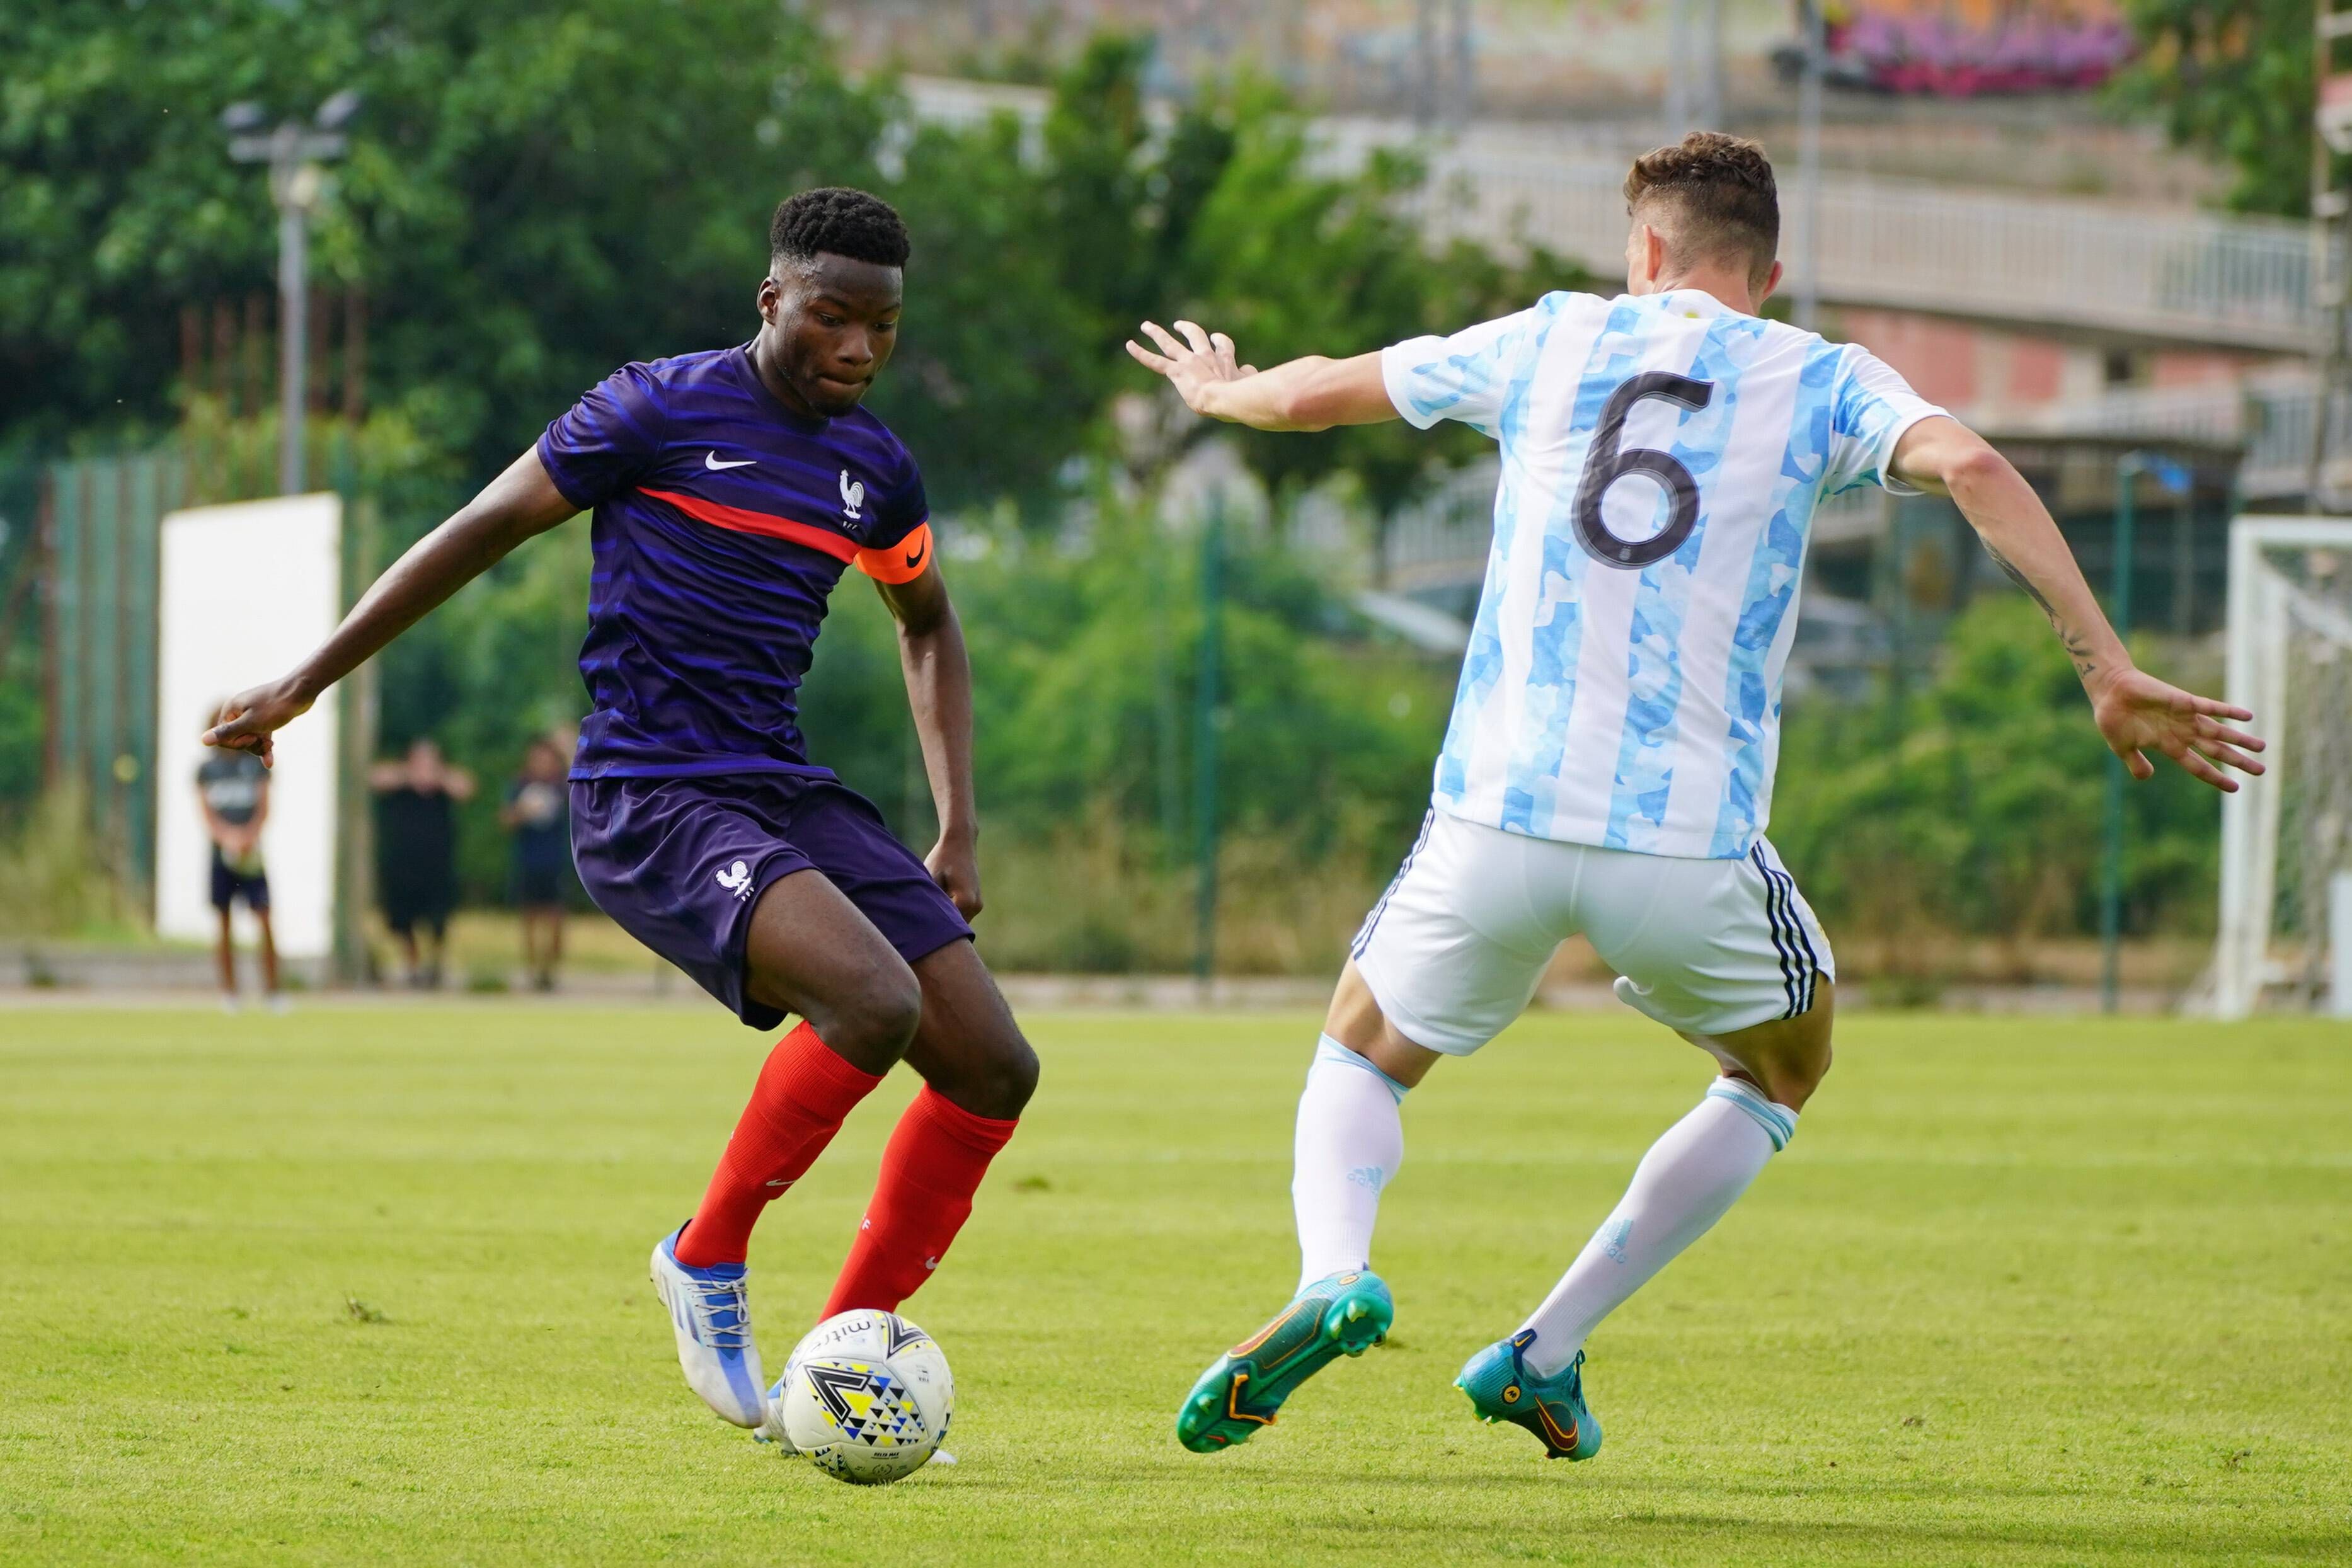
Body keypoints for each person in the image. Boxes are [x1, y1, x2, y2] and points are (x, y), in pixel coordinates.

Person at [1127, 131, 2267, 1461]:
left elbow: (1317, 395)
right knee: (1785, 1065)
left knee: (1359, 1047)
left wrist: (1225, 391)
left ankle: (1334, 1272)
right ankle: (1540, 1350)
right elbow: (1971, 466)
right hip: (1682, 841)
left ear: (1645, 252)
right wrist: (2105, 663)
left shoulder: (1548, 338)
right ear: (1766, 273)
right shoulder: (1823, 378)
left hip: (1499, 810)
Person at [202, 188, 1036, 1444]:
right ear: (772, 301)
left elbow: (928, 628)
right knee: (873, 1001)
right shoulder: (654, 406)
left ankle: (837, 1364)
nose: (859, 349)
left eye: (883, 326)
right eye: (831, 317)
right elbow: (479, 529)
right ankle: (705, 1255)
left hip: (778, 784)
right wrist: (304, 679)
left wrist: (958, 820)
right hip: (651, 792)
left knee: (992, 1064)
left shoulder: (876, 469)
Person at [195, 714, 282, 1011]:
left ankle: (273, 992)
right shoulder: (207, 770)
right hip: (221, 854)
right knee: (223, 922)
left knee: (265, 918)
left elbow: (264, 806)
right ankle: (229, 992)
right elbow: (206, 812)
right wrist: (227, 837)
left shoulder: (254, 766)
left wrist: (247, 837)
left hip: (252, 854)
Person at [370, 738, 473, 989]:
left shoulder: (443, 785)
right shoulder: (400, 782)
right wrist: (411, 774)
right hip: (404, 864)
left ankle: (435, 964)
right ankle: (413, 964)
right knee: (403, 919)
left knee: (438, 917)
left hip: (436, 864)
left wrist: (436, 776)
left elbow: (466, 788)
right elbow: (376, 778)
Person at [501, 735, 573, 992]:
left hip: (554, 861)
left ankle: (551, 970)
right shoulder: (520, 785)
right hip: (528, 861)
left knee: (556, 917)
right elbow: (505, 820)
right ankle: (532, 969)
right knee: (529, 916)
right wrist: (523, 811)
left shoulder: (561, 787)